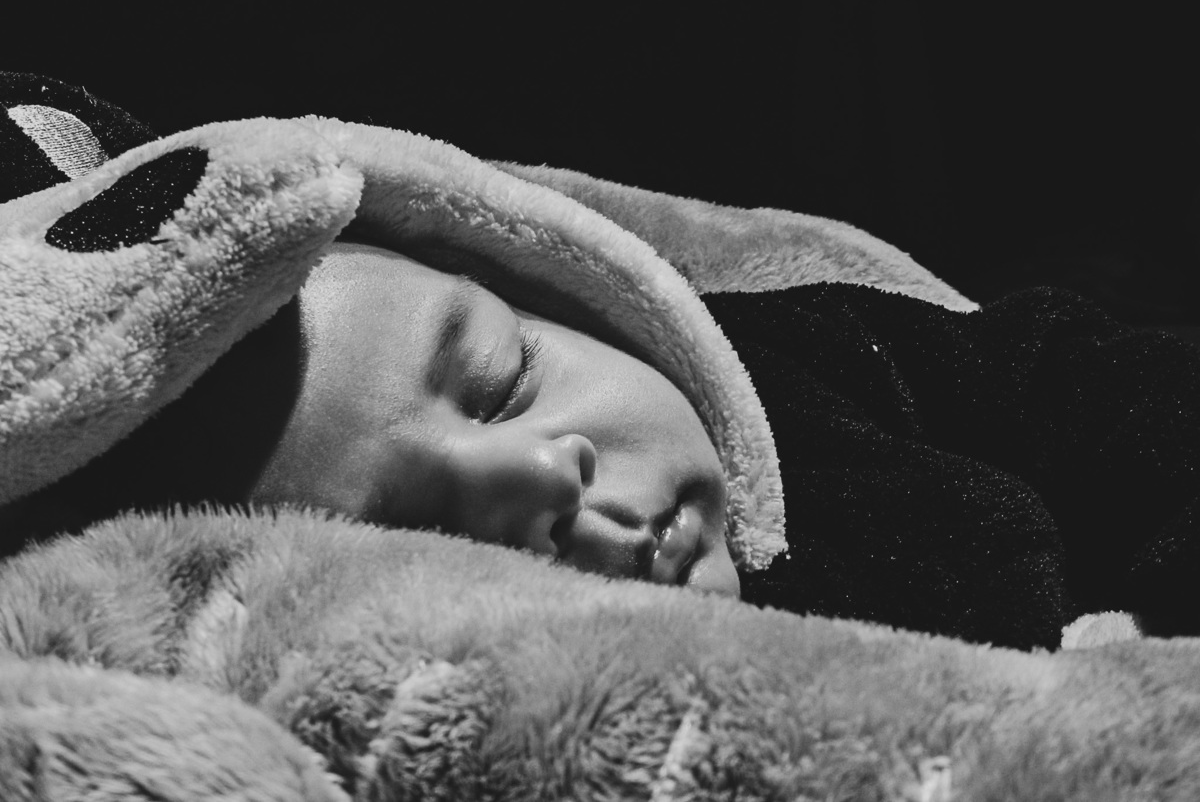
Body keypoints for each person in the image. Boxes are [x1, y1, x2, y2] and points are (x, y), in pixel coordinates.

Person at [12, 232, 1200, 652]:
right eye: (414, 533)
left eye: (501, 380)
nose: (542, 473)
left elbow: (1096, 391)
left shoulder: (794, 365)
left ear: (566, 294)